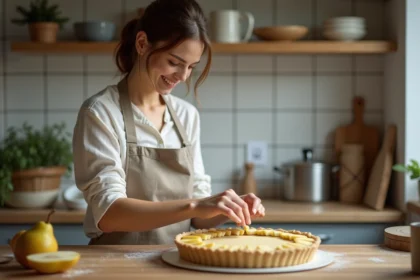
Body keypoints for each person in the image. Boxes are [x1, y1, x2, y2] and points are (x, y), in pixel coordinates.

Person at [72, 0, 265, 245]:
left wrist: (226, 208)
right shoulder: (100, 113)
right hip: (117, 264)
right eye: (174, 62)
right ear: (142, 44)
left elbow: (198, 219)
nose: (183, 76)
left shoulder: (187, 116)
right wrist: (195, 205)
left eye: (191, 67)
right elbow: (108, 213)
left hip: (179, 260)